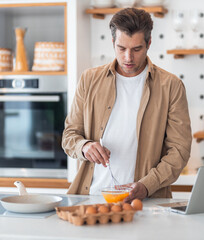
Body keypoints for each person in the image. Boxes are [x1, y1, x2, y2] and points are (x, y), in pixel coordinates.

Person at [62, 8, 192, 202]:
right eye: (121, 48)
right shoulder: (89, 79)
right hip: (92, 197)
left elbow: (180, 150)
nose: (128, 58)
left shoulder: (171, 86)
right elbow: (69, 135)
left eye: (136, 49)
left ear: (148, 44)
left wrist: (147, 186)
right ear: (113, 43)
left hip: (147, 201)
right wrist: (84, 146)